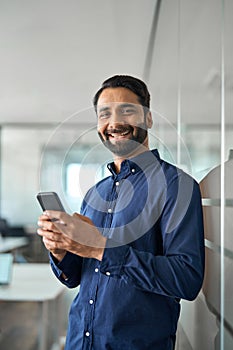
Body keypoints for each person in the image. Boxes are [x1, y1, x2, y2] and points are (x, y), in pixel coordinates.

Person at [37, 75, 205, 350]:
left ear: (148, 118)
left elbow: (186, 279)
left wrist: (99, 247)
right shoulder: (95, 193)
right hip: (80, 341)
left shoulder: (179, 186)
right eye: (105, 114)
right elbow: (78, 276)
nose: (114, 123)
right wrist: (61, 250)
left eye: (127, 110)